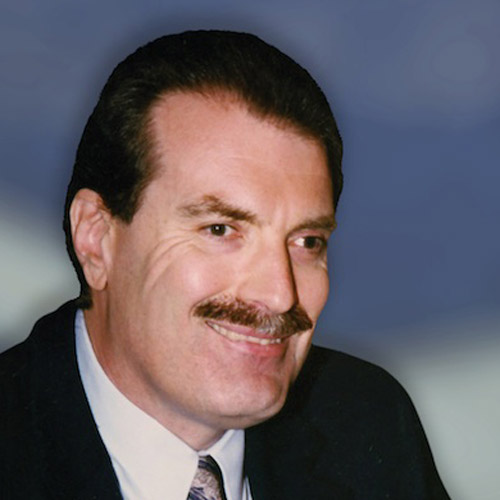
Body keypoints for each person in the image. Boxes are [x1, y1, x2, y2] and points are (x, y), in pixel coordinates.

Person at [0, 30, 450, 499]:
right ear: (96, 239)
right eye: (220, 230)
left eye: (307, 241)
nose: (279, 294)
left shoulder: (367, 423)